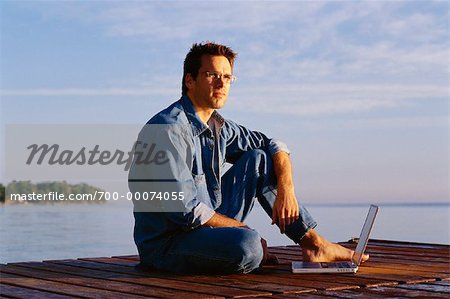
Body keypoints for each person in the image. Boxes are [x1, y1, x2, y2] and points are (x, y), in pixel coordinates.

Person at [129, 42, 368, 274]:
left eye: (227, 77)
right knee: (248, 244)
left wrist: (287, 188)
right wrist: (242, 230)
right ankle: (248, 248)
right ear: (189, 80)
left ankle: (313, 244)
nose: (222, 83)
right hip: (168, 244)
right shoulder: (167, 130)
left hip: (202, 231)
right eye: (212, 74)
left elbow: (274, 145)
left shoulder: (219, 127)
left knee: (261, 159)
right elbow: (186, 211)